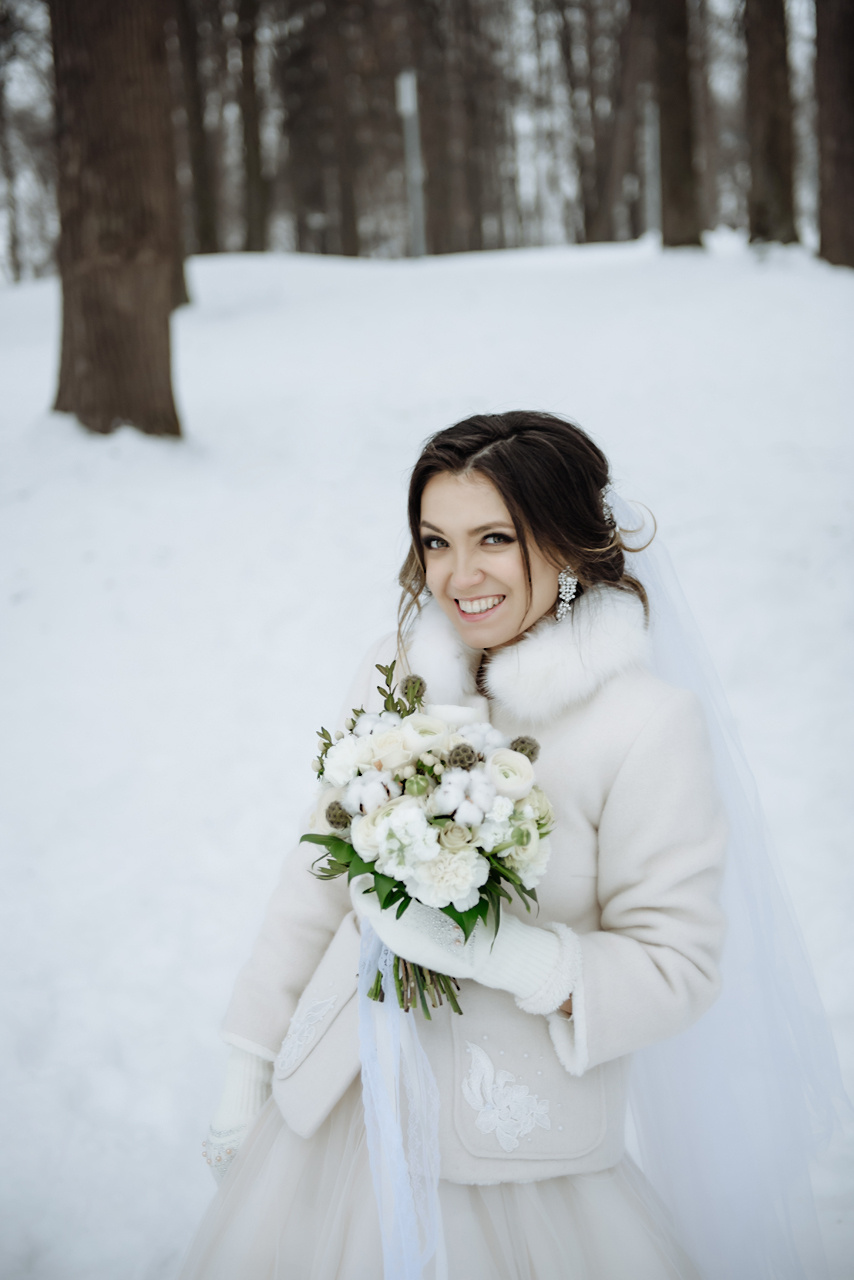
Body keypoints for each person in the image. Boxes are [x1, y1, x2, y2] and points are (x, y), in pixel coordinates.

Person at [178, 411, 840, 1280]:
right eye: (436, 541)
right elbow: (317, 874)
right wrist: (249, 1057)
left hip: (517, 1164)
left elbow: (679, 964)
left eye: (495, 538)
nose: (460, 575)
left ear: (565, 544)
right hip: (337, 1107)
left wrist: (516, 957)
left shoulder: (641, 726)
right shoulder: (397, 670)